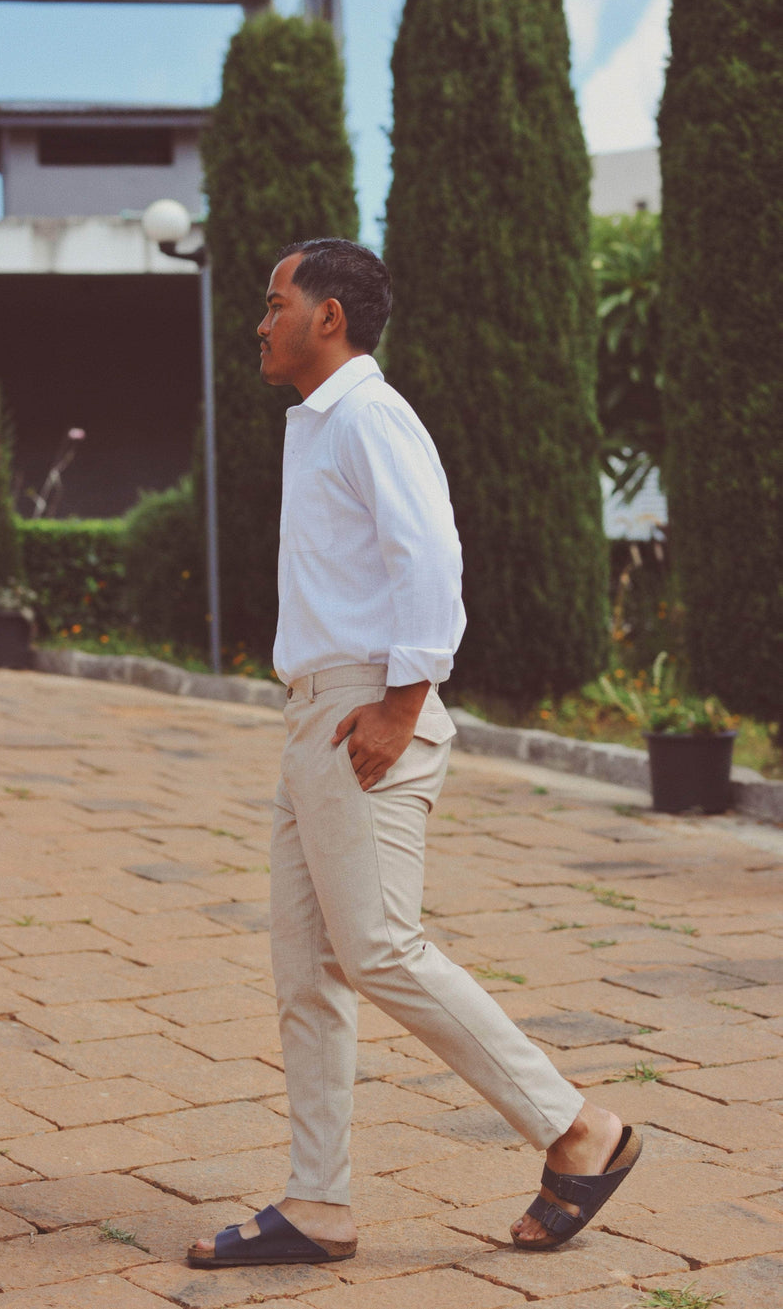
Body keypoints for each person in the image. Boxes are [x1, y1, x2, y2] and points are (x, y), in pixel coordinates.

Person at [188, 238, 640, 1268]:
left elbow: (431, 556)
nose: (261, 322)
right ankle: (318, 1204)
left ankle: (578, 1129)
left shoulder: (370, 416)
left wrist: (401, 703)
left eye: (275, 302)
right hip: (316, 716)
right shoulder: (321, 423)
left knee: (380, 948)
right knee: (307, 973)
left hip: (365, 713)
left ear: (330, 316)